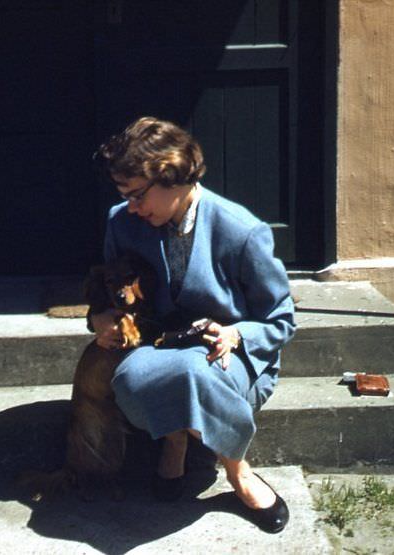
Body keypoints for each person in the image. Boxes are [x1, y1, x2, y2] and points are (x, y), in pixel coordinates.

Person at [88, 116, 296, 533]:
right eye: (124, 195)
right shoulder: (122, 222)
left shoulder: (242, 230)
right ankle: (176, 437)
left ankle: (237, 470)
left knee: (193, 372)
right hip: (157, 348)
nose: (131, 206)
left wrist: (238, 333)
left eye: (137, 195)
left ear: (171, 177)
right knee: (131, 377)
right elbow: (107, 289)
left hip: (230, 360)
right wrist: (99, 317)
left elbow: (281, 320)